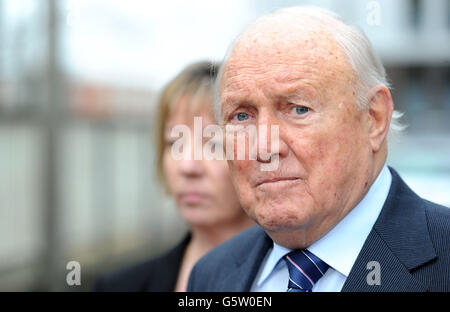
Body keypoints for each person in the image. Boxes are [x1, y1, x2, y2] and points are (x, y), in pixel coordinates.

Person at [187, 7, 450, 292]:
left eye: (299, 109)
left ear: (373, 119)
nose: (264, 147)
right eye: (241, 116)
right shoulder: (212, 275)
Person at [94, 61, 254, 292]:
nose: (187, 166)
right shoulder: (117, 287)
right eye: (174, 143)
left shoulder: (300, 279)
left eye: (214, 145)